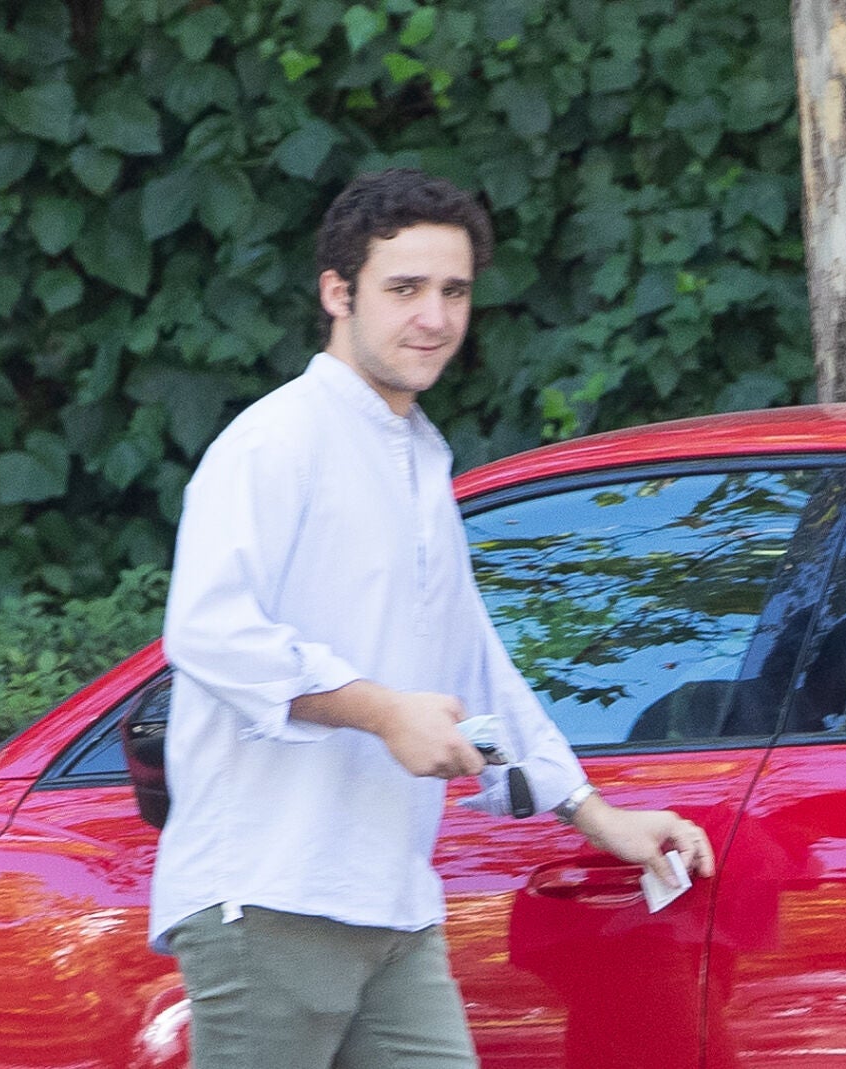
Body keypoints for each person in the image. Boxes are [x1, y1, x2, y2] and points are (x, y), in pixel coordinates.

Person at [148, 168, 716, 1069]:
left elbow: (475, 669)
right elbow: (209, 632)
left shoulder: (419, 458)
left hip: (394, 904)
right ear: (337, 293)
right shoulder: (273, 440)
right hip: (268, 891)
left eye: (454, 291)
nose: (435, 317)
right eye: (405, 288)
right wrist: (381, 711)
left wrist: (598, 816)